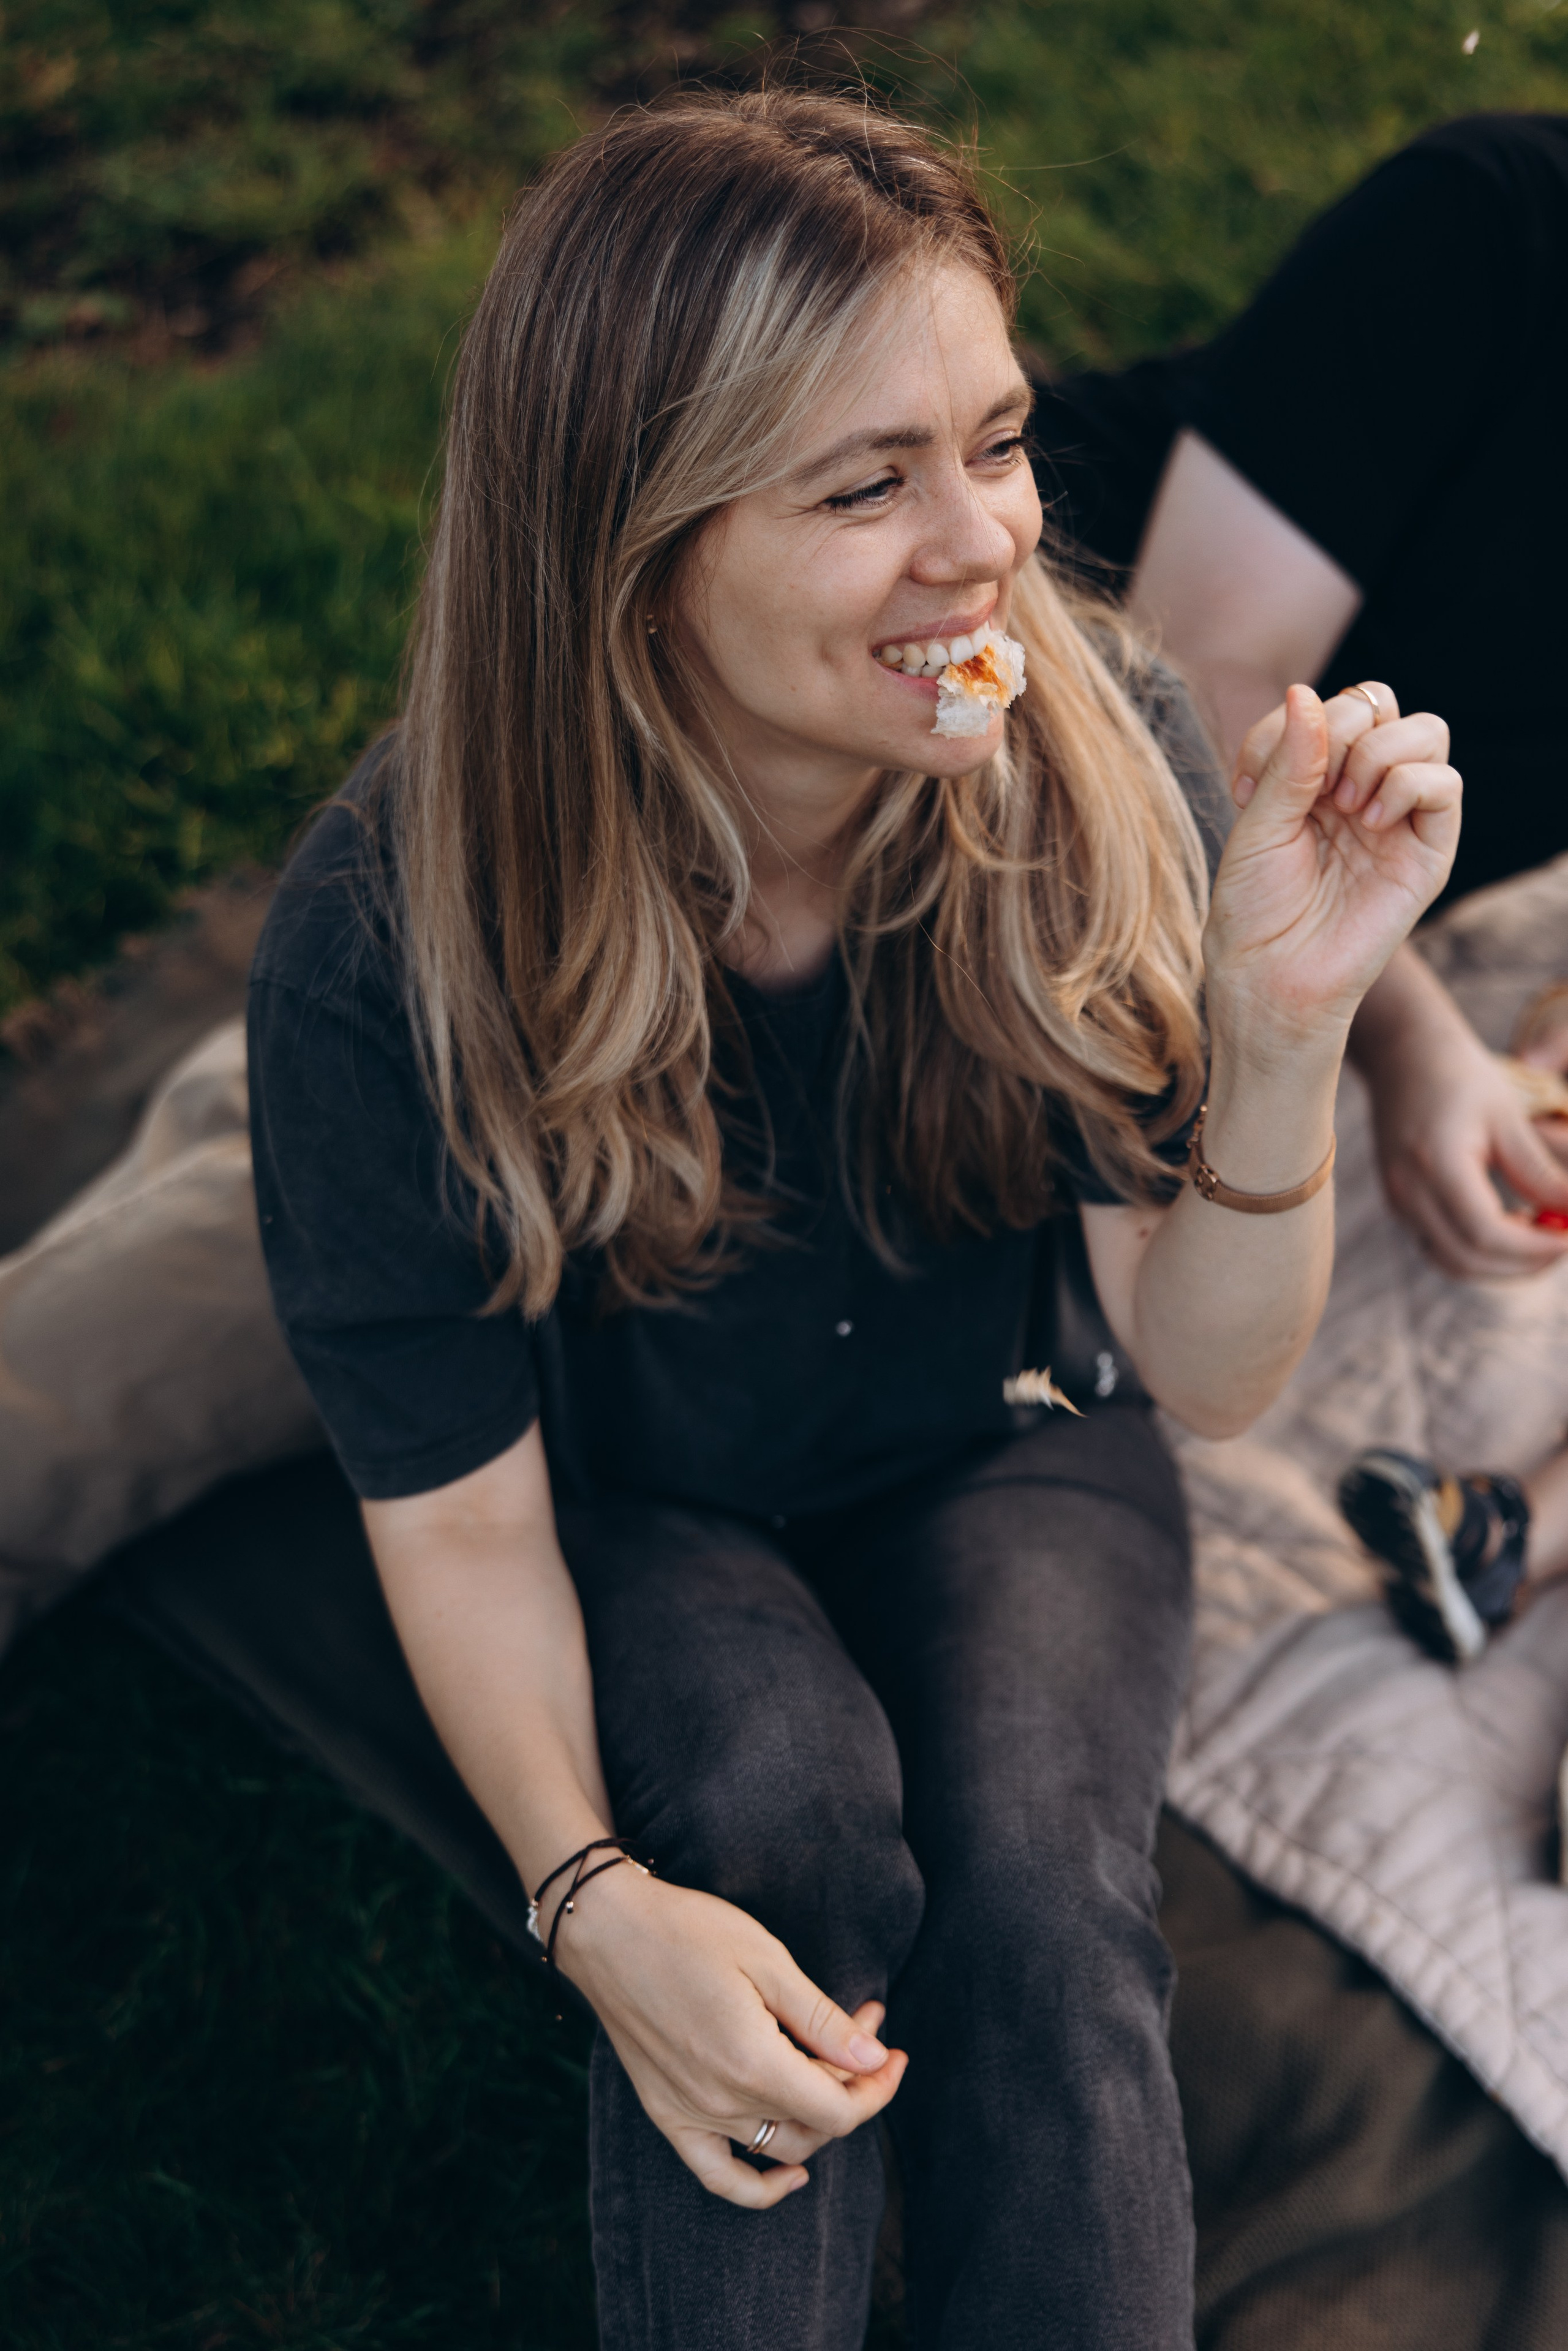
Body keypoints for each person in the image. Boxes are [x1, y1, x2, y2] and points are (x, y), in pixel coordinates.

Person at [258, 89, 1466, 2349]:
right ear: (636, 547)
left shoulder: (1096, 761)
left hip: (1020, 1437)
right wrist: (589, 1894)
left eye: (997, 443)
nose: (986, 544)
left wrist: (1290, 1030)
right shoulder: (383, 951)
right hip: (653, 1496)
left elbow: (1205, 1370)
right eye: (866, 483)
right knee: (781, 1823)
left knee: (1037, 1902)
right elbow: (462, 1532)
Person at [1030, 112, 1568, 1291]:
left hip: (1252, 930)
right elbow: (1188, 689)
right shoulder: (1487, 223)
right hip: (1018, 732)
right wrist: (1409, 1039)